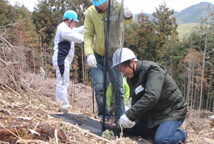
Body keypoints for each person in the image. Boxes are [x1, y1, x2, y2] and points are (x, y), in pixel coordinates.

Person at [112, 48, 187, 143]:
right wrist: (132, 120)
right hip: (154, 112)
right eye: (120, 71)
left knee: (161, 140)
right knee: (134, 131)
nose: (123, 73)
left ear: (132, 62)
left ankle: (181, 135)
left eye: (123, 69)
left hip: (172, 111)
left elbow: (152, 96)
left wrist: (129, 115)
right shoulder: (131, 78)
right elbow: (136, 99)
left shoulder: (152, 70)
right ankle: (161, 130)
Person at [84, 0, 134, 122]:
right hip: (98, 54)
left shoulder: (117, 6)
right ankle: (103, 116)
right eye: (98, 3)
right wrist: (89, 53)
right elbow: (88, 34)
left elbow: (128, 21)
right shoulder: (91, 12)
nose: (101, 5)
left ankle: (120, 117)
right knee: (99, 87)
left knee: (119, 87)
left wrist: (128, 15)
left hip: (114, 54)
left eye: (104, 2)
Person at [52, 10, 84, 112]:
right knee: (63, 83)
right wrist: (88, 37)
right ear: (69, 20)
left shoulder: (65, 27)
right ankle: (63, 105)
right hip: (61, 60)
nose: (74, 24)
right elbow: (78, 38)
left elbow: (77, 30)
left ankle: (60, 104)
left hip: (63, 60)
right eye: (74, 22)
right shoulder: (64, 30)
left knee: (62, 82)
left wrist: (88, 26)